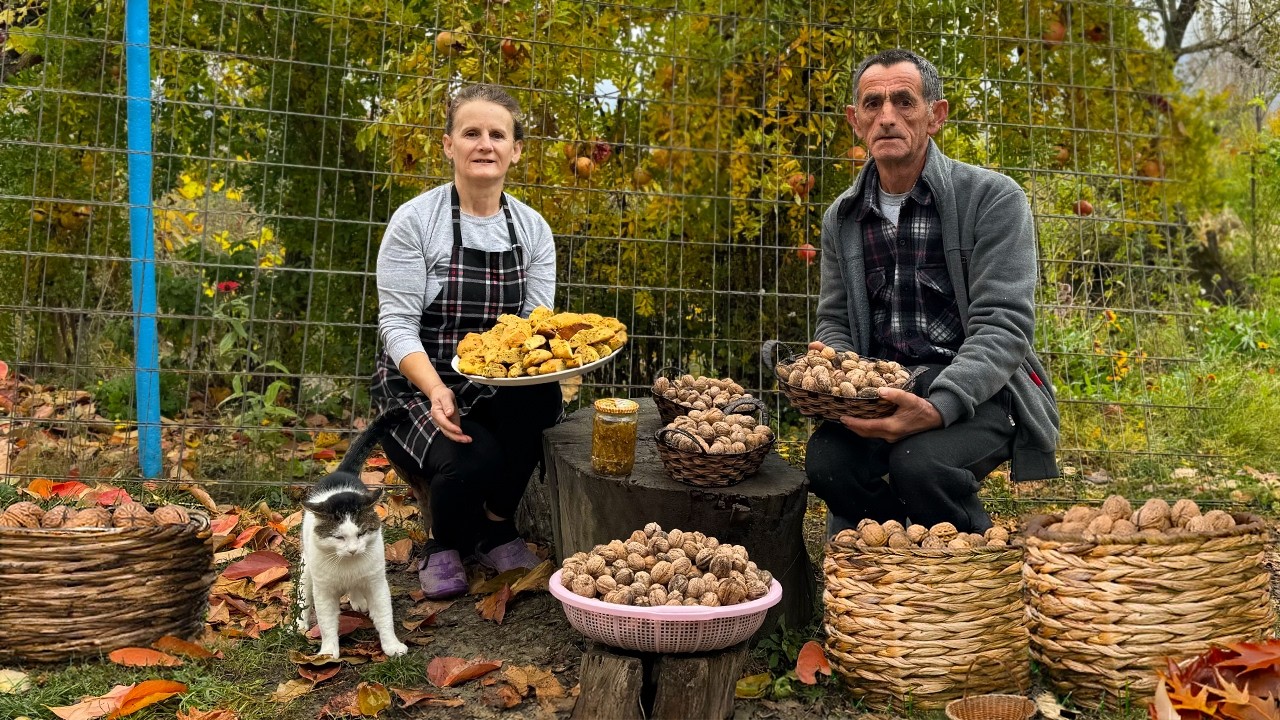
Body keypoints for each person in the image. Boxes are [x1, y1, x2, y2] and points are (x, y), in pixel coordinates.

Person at [805, 49, 1059, 534]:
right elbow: (835, 320)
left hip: (979, 391)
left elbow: (1004, 326)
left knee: (920, 464)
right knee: (827, 462)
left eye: (904, 101)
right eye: (872, 104)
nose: (887, 117)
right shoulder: (843, 216)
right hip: (884, 389)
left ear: (935, 116)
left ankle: (970, 563)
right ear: (854, 121)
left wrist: (939, 405)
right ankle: (887, 555)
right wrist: (837, 372)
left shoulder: (992, 198)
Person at [372, 84, 562, 599]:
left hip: (493, 379)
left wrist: (565, 364)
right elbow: (396, 325)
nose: (485, 144)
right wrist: (435, 389)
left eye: (497, 134)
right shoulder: (416, 222)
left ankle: (497, 526)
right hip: (416, 383)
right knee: (476, 460)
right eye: (471, 132)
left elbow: (534, 328)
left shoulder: (533, 230)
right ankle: (444, 543)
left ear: (515, 149)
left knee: (543, 398)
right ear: (448, 145)